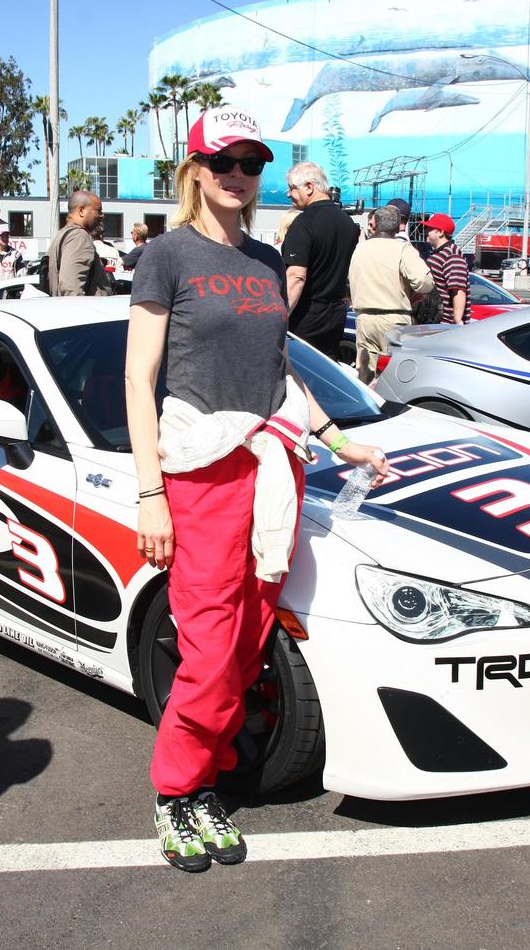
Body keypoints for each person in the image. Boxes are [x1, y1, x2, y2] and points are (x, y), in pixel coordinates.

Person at [125, 106, 389, 874]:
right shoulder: (167, 255)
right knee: (208, 648)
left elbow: (279, 376)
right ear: (196, 170)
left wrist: (342, 440)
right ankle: (177, 792)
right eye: (225, 160)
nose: (239, 173)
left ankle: (205, 781)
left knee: (245, 647)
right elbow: (139, 382)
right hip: (200, 473)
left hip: (273, 470)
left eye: (252, 163)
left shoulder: (270, 262)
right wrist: (150, 495)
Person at [283, 161, 360, 359]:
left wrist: (279, 317)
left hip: (306, 315)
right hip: (335, 313)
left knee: (299, 377)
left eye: (292, 188)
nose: (288, 194)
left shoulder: (304, 222)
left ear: (309, 187)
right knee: (325, 374)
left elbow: (296, 276)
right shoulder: (347, 223)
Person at [349, 206, 434, 384]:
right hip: (394, 318)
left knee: (365, 374)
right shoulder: (402, 249)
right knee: (393, 376)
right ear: (398, 228)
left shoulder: (360, 249)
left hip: (364, 318)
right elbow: (424, 282)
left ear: (375, 224)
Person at [46, 190, 113, 296]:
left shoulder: (63, 234)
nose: (102, 215)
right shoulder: (79, 237)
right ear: (81, 211)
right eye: (98, 211)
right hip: (83, 310)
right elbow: (71, 287)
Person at [422, 213, 470, 325]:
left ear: (440, 232)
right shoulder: (437, 254)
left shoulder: (452, 256)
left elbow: (458, 290)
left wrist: (457, 321)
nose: (426, 232)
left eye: (429, 229)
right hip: (434, 321)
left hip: (445, 325)